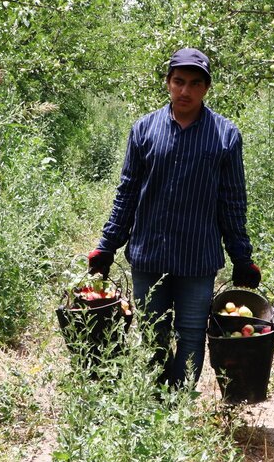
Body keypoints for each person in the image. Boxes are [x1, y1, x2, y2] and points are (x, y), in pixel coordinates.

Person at [87, 47, 260, 388]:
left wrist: (242, 258)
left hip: (198, 257)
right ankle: (155, 401)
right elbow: (128, 193)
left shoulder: (225, 135)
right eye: (179, 81)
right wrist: (106, 246)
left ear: (206, 88)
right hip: (149, 253)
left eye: (195, 84)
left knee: (192, 334)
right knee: (153, 331)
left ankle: (178, 403)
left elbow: (232, 202)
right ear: (167, 83)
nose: (185, 91)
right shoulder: (144, 130)